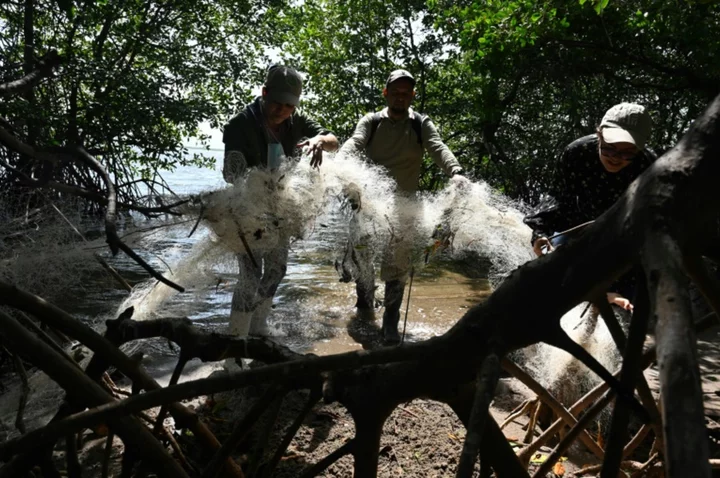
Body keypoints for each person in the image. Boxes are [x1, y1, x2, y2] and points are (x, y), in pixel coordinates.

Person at [338, 69, 464, 344]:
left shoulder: (420, 123)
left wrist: (455, 171)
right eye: (395, 92)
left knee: (397, 266)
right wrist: (341, 163)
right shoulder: (371, 121)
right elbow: (354, 142)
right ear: (386, 93)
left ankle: (391, 323)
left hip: (403, 208)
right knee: (362, 262)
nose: (400, 97)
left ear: (412, 96)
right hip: (367, 206)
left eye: (406, 93)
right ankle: (364, 308)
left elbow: (437, 146)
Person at [222, 65, 338, 337]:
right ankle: (236, 337)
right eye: (277, 104)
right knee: (249, 276)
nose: (283, 111)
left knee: (277, 270)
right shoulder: (240, 124)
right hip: (247, 210)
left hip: (280, 211)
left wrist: (319, 140)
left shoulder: (296, 122)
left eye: (289, 106)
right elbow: (230, 175)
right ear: (264, 94)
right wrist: (258, 179)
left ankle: (258, 327)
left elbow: (334, 140)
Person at [524, 102, 656, 309]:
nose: (615, 158)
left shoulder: (648, 166)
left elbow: (647, 224)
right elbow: (558, 198)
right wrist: (540, 233)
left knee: (630, 300)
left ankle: (610, 296)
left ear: (640, 148)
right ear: (599, 134)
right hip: (579, 228)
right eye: (609, 148)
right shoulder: (577, 152)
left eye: (626, 152)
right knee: (548, 280)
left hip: (624, 238)